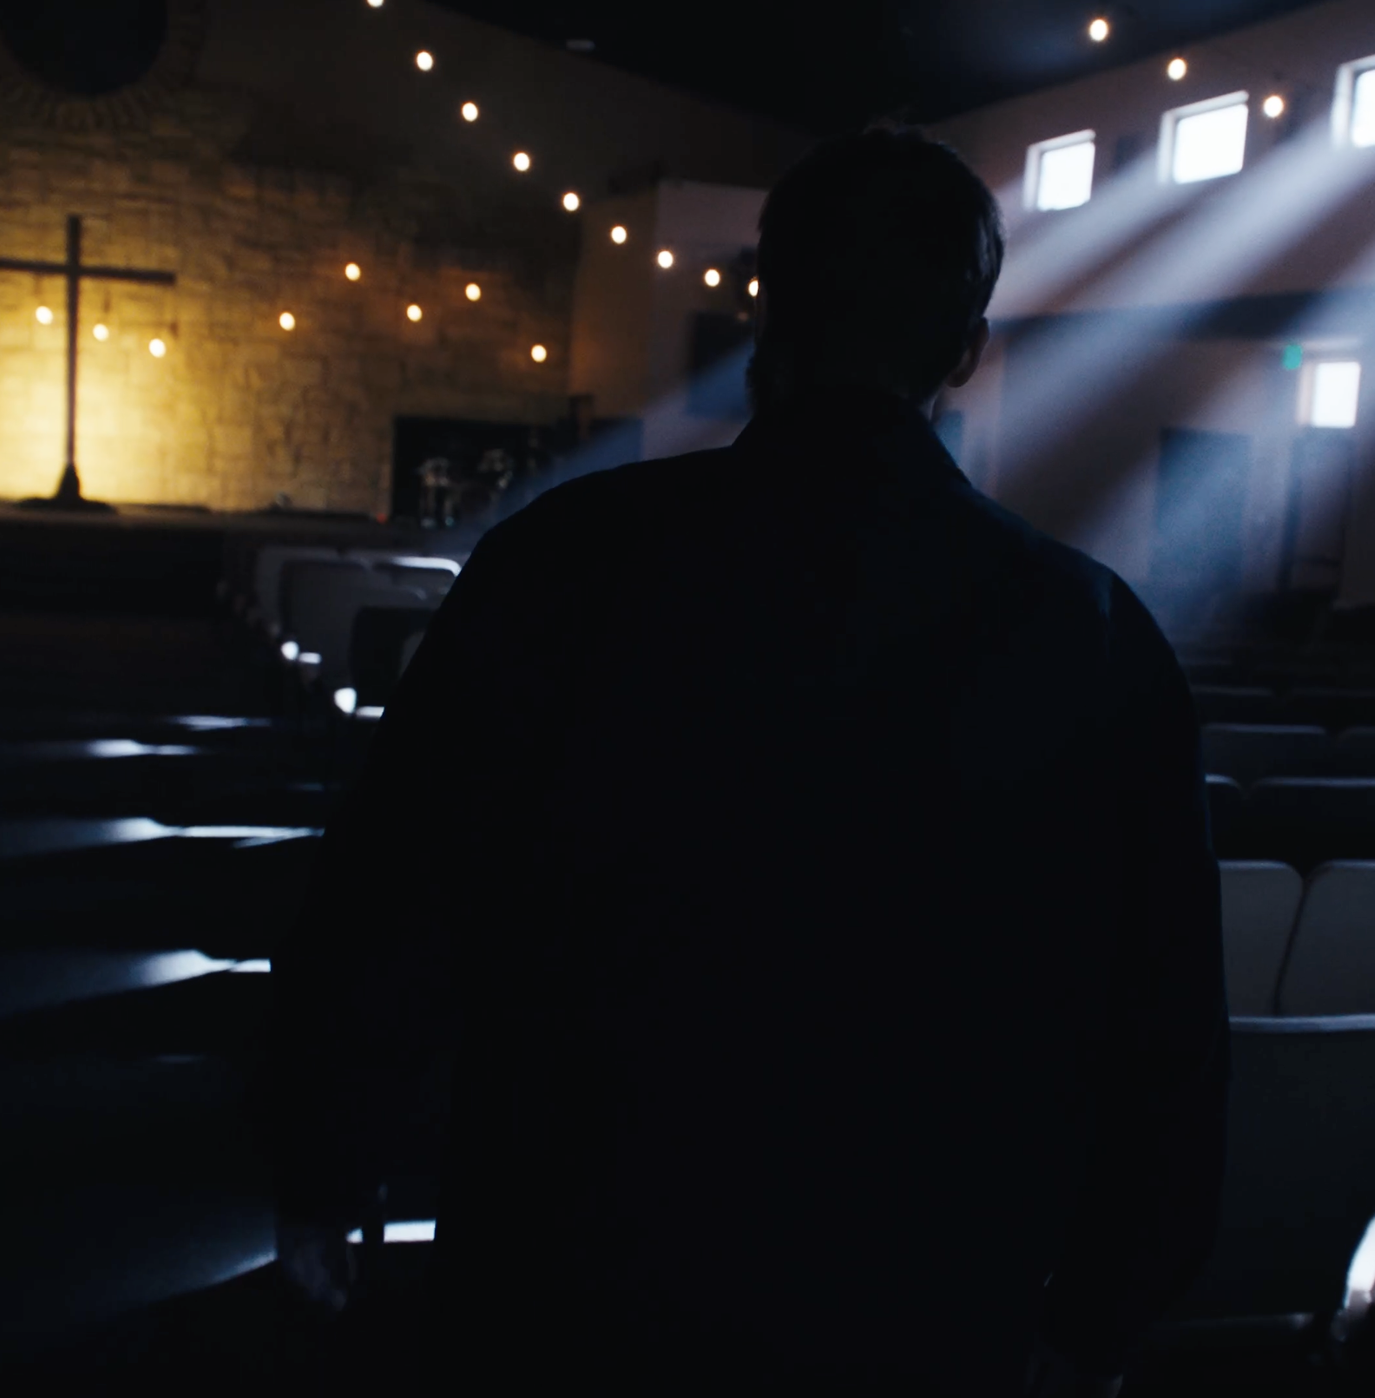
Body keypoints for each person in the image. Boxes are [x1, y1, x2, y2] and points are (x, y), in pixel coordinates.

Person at [265, 127, 1228, 1397]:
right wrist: (1105, 1308)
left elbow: (402, 883)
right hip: (916, 1290)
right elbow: (1157, 1012)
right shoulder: (1089, 630)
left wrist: (328, 1157)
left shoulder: (564, 561)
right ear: (965, 353)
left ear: (767, 308)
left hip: (574, 1263)